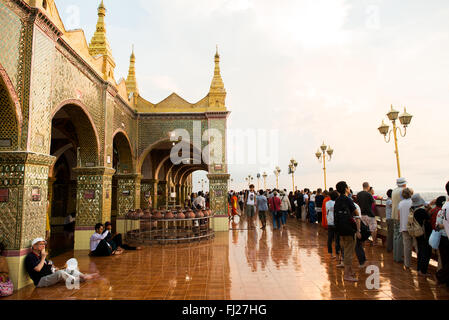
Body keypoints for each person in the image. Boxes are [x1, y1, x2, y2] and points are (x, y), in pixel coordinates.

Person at [25, 238, 98, 288]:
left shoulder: (41, 255)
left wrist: (54, 268)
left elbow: (50, 265)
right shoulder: (30, 257)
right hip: (40, 281)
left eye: (44, 244)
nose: (43, 246)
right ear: (34, 246)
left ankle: (82, 277)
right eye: (41, 244)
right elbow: (37, 269)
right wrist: (43, 257)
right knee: (60, 273)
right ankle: (77, 279)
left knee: (69, 269)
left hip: (50, 274)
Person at [334, 181, 362, 282]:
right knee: (349, 252)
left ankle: (350, 271)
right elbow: (356, 213)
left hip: (340, 229)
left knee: (346, 249)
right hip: (349, 229)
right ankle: (346, 275)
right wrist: (358, 230)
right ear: (346, 189)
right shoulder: (348, 200)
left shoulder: (337, 200)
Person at [411, 194, 432, 277]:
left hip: (417, 233)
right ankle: (423, 271)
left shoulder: (414, 210)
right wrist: (429, 208)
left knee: (420, 251)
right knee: (425, 252)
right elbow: (428, 218)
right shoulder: (422, 211)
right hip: (424, 234)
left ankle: (419, 269)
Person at [398, 188, 416, 270]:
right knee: (417, 246)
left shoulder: (400, 203)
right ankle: (420, 266)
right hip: (413, 227)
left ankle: (407, 264)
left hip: (404, 227)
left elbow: (399, 217)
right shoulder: (413, 202)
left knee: (407, 247)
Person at [436, 182, 449, 287]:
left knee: (445, 260)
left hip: (443, 237)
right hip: (446, 237)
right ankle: (440, 275)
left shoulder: (445, 205)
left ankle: (444, 279)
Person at [392, 178, 407, 263]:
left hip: (394, 214)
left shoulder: (394, 190)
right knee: (400, 236)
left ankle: (395, 256)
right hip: (400, 215)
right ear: (404, 184)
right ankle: (399, 257)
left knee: (395, 235)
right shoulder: (403, 191)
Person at [326, 191, 340, 260]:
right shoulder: (338, 203)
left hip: (330, 222)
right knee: (337, 240)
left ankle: (330, 254)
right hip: (336, 223)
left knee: (330, 239)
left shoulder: (327, 203)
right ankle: (337, 256)